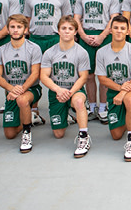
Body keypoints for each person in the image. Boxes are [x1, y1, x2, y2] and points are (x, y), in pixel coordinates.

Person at [23, 0, 72, 126]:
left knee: (58, 74)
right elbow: (27, 20)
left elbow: (67, 19)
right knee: (34, 74)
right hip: (36, 38)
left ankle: (64, 110)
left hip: (54, 39)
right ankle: (34, 111)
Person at [74, 0, 120, 123]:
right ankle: (91, 106)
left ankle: (103, 107)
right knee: (89, 75)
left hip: (104, 37)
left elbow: (113, 18)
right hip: (86, 35)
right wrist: (83, 36)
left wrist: (102, 36)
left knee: (104, 76)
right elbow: (77, 18)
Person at [40, 16, 91, 158]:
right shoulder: (50, 52)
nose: (67, 32)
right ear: (58, 31)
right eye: (64, 28)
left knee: (79, 102)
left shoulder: (81, 52)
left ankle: (83, 136)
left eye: (70, 29)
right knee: (58, 134)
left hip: (74, 90)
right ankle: (66, 115)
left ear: (75, 32)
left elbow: (83, 77)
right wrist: (58, 90)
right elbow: (44, 76)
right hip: (57, 91)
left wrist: (69, 92)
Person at [95, 15, 131, 161]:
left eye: (122, 28)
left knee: (129, 99)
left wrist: (123, 92)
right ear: (110, 30)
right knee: (116, 135)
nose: (119, 31)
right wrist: (119, 89)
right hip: (113, 90)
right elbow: (101, 78)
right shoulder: (101, 52)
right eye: (116, 28)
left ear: (128, 31)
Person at [0, 15, 42, 153]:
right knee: (9, 134)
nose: (15, 30)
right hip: (11, 91)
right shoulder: (0, 50)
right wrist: (11, 89)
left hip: (31, 89)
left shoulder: (34, 48)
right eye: (12, 27)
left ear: (25, 30)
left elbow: (35, 74)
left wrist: (21, 89)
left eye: (19, 27)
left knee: (22, 99)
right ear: (7, 30)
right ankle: (31, 117)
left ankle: (27, 132)